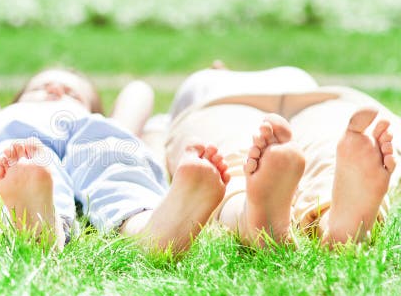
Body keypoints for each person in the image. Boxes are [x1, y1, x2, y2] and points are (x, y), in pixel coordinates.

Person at [0, 67, 230, 253]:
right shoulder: (9, 117)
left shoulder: (98, 124)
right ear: (15, 101)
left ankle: (150, 228)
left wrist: (114, 125)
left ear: (91, 107)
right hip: (20, 139)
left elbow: (139, 91)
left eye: (72, 92)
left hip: (91, 137)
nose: (55, 88)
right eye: (40, 87)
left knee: (114, 160)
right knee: (22, 162)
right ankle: (41, 222)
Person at [162, 64, 399, 246]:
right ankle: (332, 222)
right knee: (326, 152)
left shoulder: (205, 79)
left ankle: (338, 222)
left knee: (230, 163)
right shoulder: (205, 84)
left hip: (318, 101)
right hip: (221, 105)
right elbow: (153, 134)